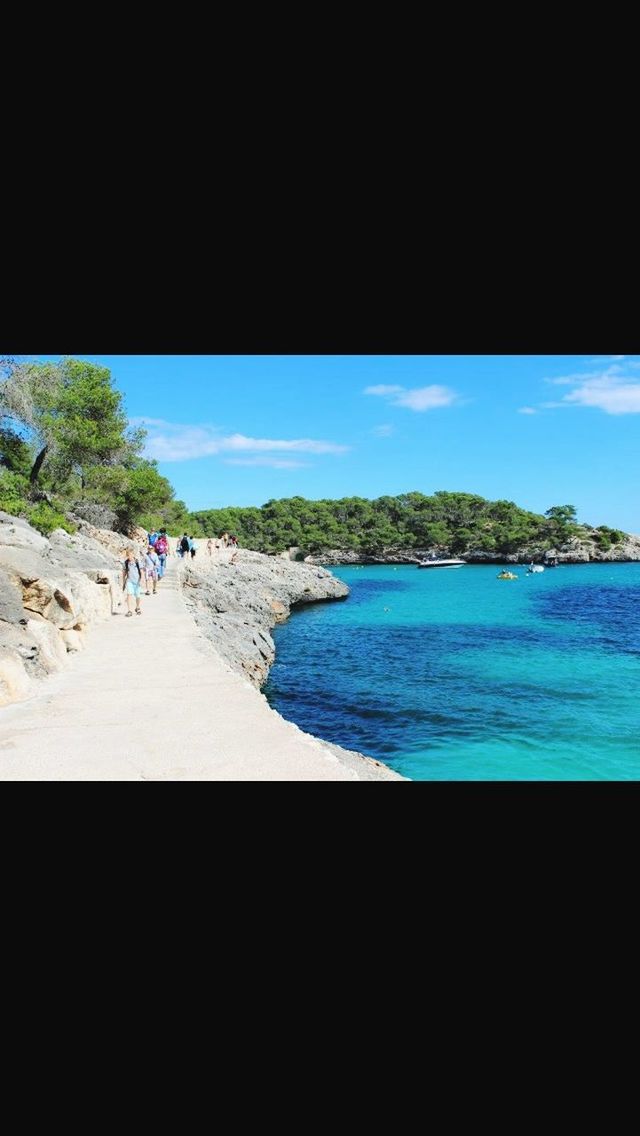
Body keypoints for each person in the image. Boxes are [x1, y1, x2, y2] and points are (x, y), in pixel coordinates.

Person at [122, 548, 143, 616]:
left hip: (137, 581)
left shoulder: (137, 562)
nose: (129, 557)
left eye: (130, 555)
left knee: (138, 596)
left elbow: (141, 572)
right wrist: (123, 582)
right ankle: (129, 610)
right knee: (129, 594)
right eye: (128, 555)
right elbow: (124, 573)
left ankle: (137, 607)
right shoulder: (126, 562)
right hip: (129, 581)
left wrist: (141, 580)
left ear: (133, 555)